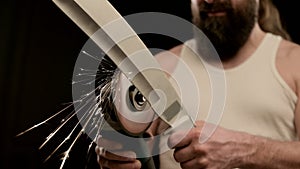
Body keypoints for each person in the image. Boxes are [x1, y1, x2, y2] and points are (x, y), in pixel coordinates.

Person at [95, 0, 300, 168]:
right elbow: (137, 148)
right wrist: (121, 154)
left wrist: (246, 150)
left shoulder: (294, 63)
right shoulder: (161, 69)